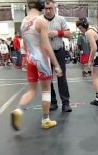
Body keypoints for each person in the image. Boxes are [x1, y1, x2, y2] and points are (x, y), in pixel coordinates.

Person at [10, 0, 62, 131]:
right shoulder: (41, 21)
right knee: (46, 90)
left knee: (32, 90)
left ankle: (19, 110)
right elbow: (46, 45)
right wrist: (56, 64)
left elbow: (25, 44)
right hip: (42, 59)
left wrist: (27, 60)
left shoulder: (23, 22)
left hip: (30, 57)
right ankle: (46, 120)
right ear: (42, 6)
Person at [42, 0, 73, 112]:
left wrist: (57, 33)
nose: (48, 10)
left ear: (54, 8)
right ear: (43, 9)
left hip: (58, 52)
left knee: (62, 78)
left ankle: (65, 103)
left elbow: (70, 34)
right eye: (46, 8)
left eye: (50, 8)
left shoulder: (61, 19)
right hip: (44, 54)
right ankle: (53, 102)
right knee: (47, 80)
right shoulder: (39, 21)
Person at [76, 18, 98, 106]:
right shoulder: (93, 28)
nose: (80, 31)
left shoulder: (88, 32)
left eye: (81, 28)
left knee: (94, 76)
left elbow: (94, 48)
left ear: (85, 26)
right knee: (96, 74)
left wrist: (90, 60)